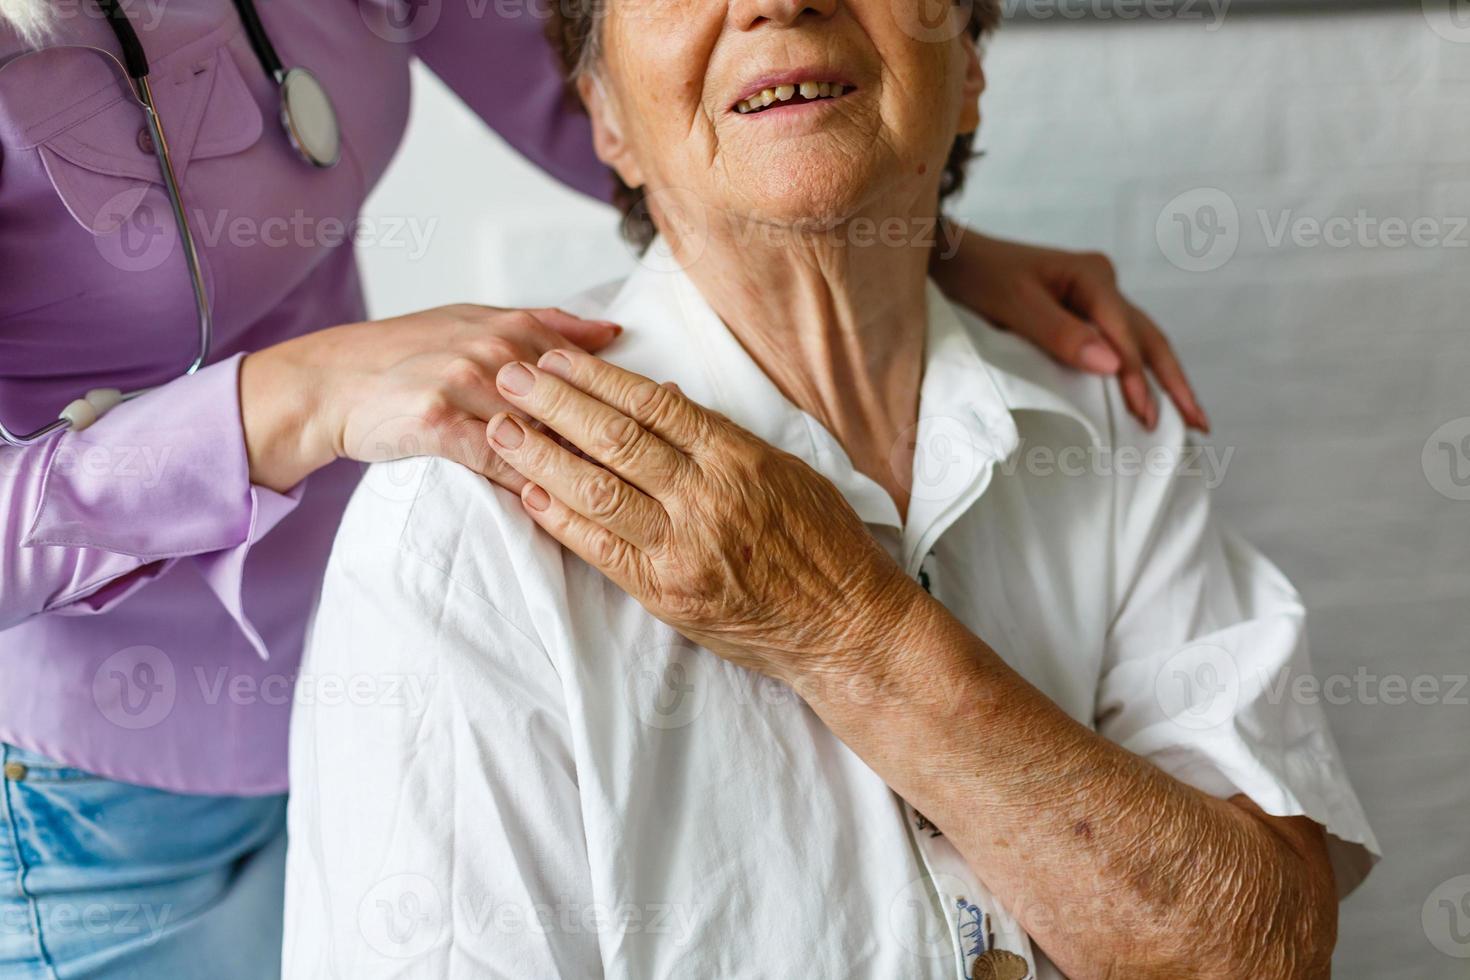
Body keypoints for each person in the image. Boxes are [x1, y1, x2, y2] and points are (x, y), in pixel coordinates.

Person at [0, 1, 1207, 974]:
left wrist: (903, 225)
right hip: (104, 783)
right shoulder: (445, 554)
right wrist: (285, 401)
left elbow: (619, 83)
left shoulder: (1092, 431)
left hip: (346, 664)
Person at [284, 0, 1377, 976]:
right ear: (605, 119)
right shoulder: (461, 523)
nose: (776, 4)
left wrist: (844, 626)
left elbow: (1260, 951)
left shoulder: (1100, 418)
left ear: (974, 59)